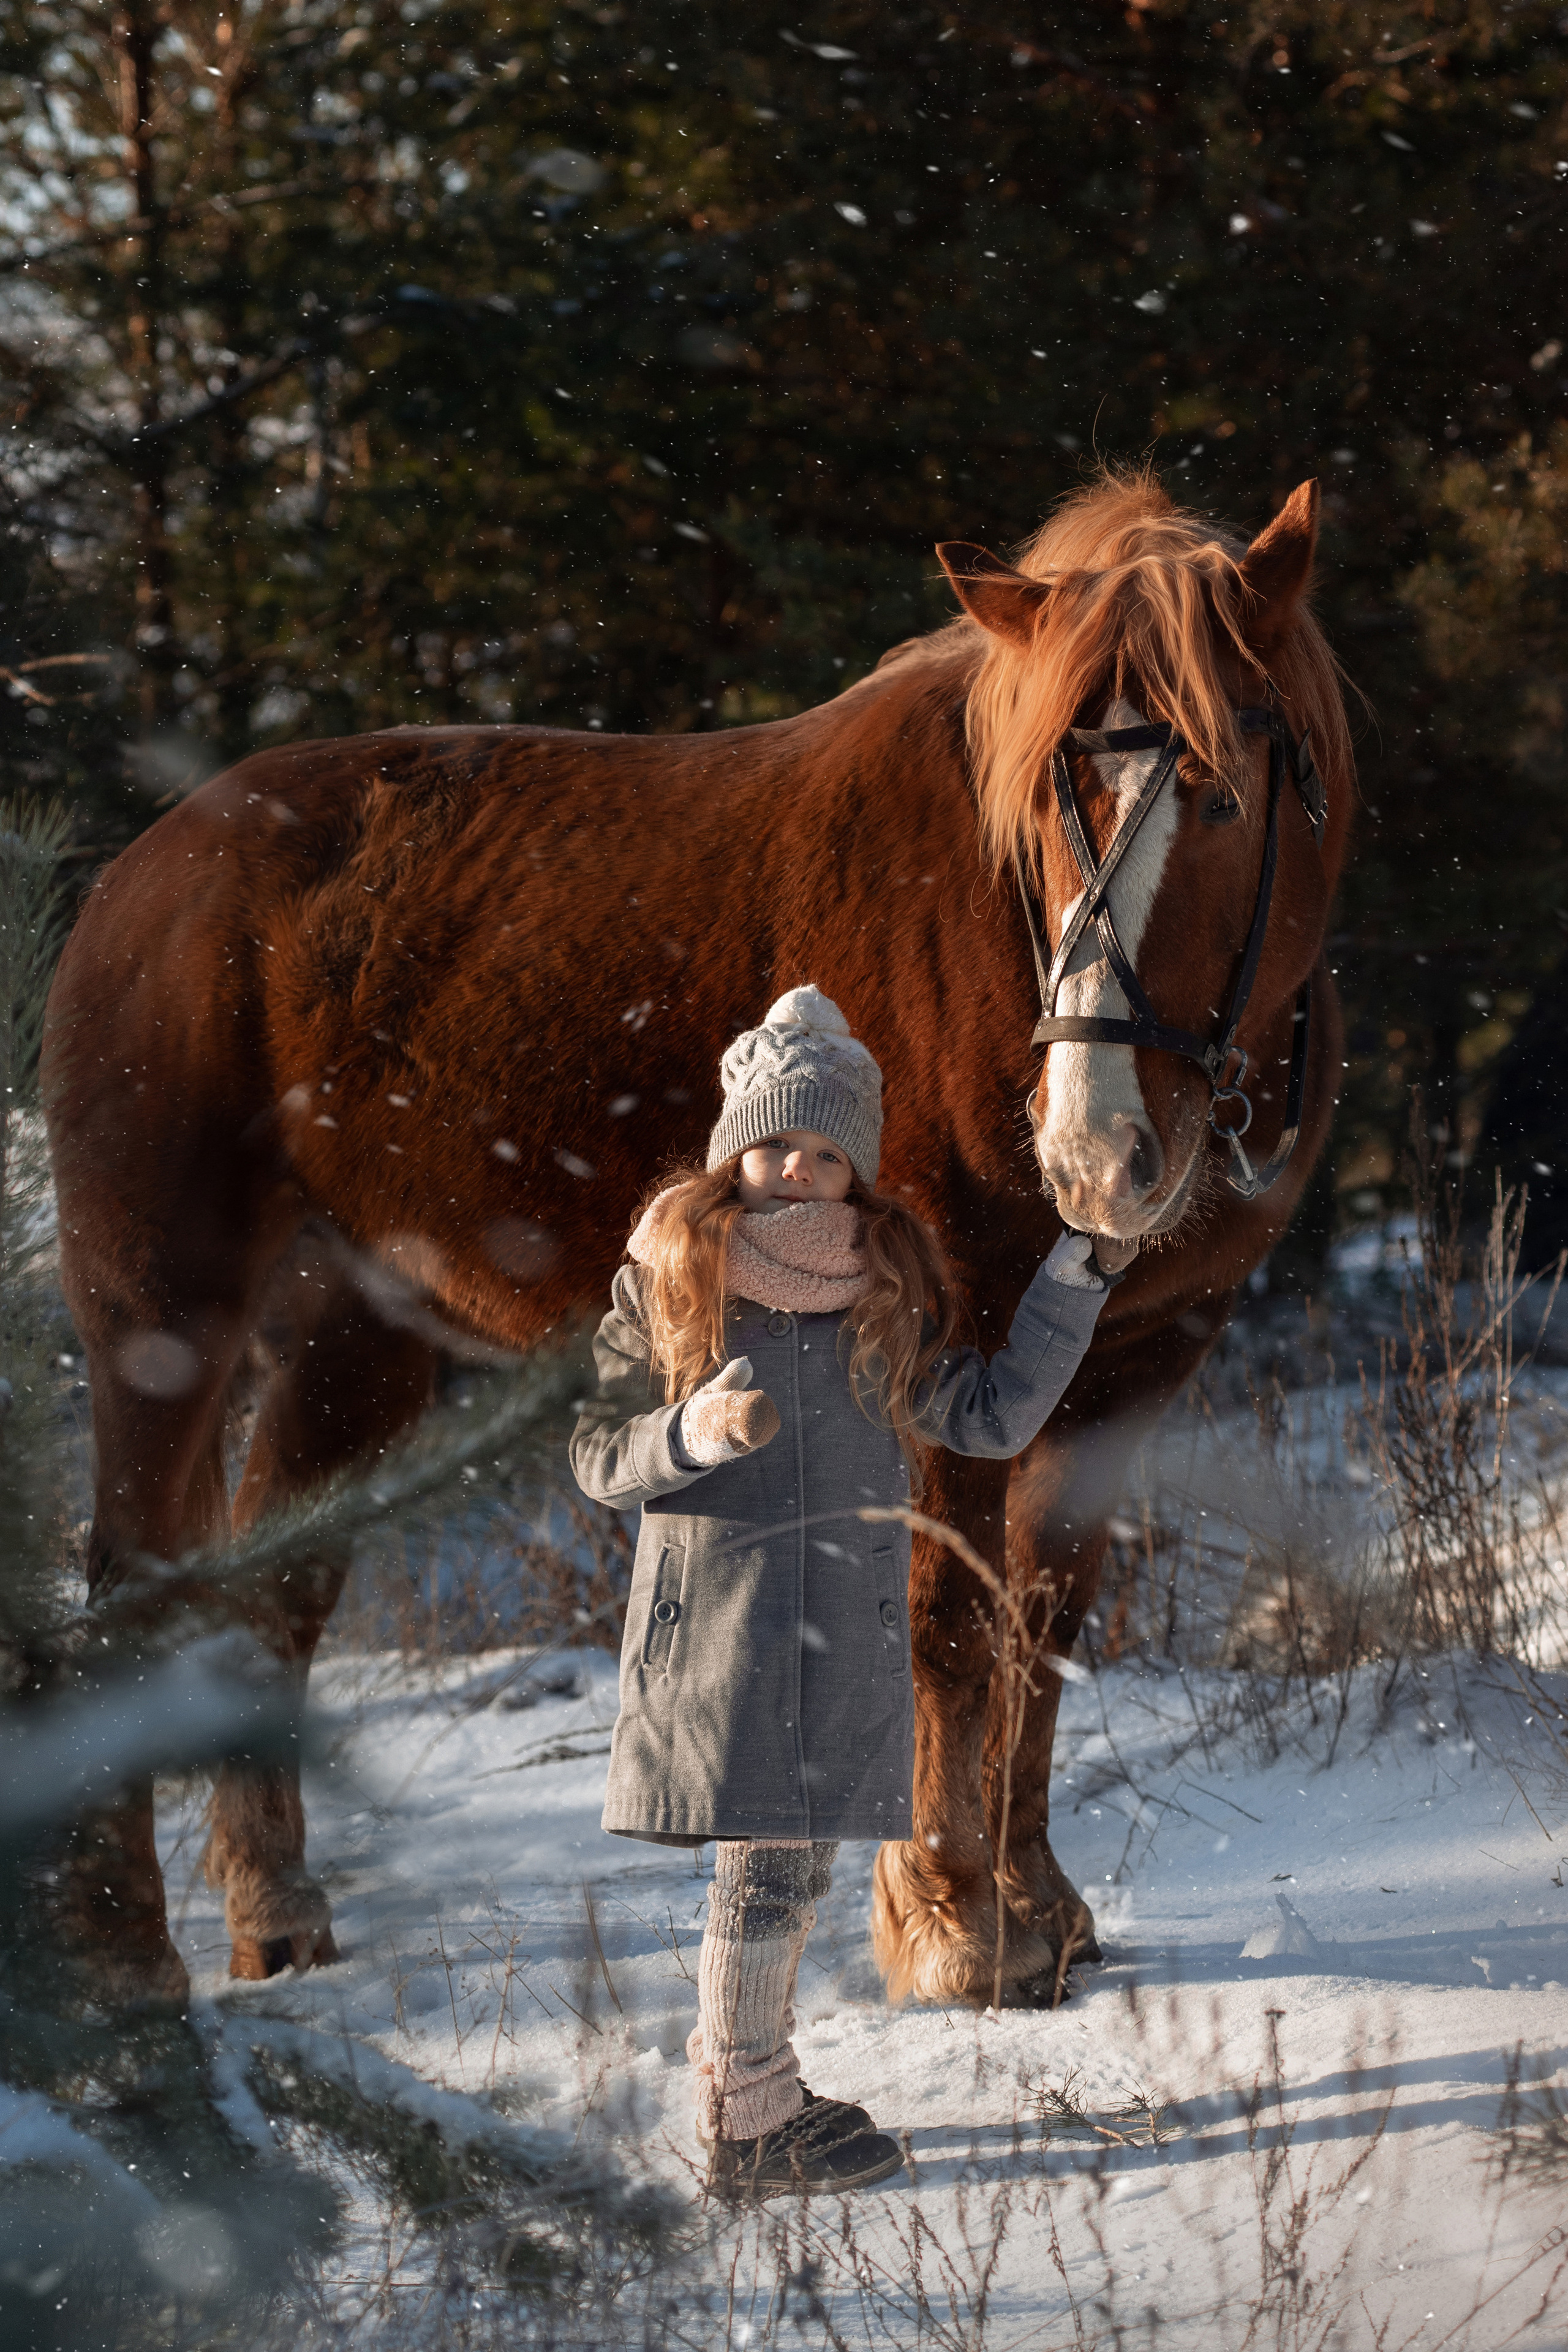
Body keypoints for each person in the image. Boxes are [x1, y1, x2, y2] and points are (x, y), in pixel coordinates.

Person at [570, 986, 1133, 2200]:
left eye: (825, 1152)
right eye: (775, 1141)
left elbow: (992, 1414)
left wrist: (1078, 1271)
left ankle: (750, 2093)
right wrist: (690, 1433)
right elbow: (598, 1456)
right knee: (766, 1863)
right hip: (723, 1628)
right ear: (731, 1151)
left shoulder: (881, 1292)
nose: (798, 1167)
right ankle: (747, 2114)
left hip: (843, 1624)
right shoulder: (672, 1277)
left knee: (791, 1866)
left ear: (855, 1173)